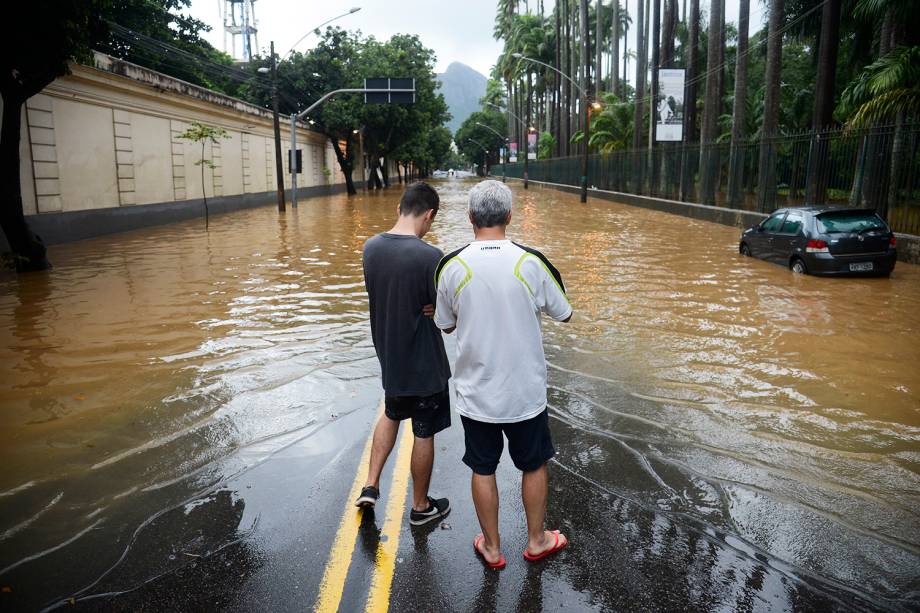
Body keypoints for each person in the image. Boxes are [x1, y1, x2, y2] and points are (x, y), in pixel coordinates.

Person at [434, 180, 572, 569]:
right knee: (533, 463)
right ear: (510, 216)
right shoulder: (531, 261)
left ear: (470, 217)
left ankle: (492, 548)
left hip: (477, 394)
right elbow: (565, 312)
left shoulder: (451, 265)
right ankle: (537, 540)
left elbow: (445, 324)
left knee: (483, 466)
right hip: (524, 392)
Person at [355, 182, 452, 526]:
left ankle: (370, 485)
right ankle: (421, 506)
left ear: (399, 208)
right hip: (425, 363)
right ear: (429, 215)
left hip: (390, 356)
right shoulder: (430, 256)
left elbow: (381, 294)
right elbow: (446, 319)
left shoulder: (371, 248)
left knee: (391, 413)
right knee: (424, 431)